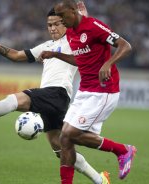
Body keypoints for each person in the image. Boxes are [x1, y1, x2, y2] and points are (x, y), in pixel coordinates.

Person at [0, 8, 111, 184]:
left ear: (66, 23)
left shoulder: (73, 40)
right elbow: (15, 55)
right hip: (55, 100)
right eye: (49, 25)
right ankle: (100, 179)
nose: (52, 28)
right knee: (61, 148)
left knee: (15, 100)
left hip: (57, 93)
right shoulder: (46, 46)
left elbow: (86, 31)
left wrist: (83, 16)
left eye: (56, 24)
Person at [40, 1, 137, 183]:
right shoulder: (71, 32)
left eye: (63, 17)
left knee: (69, 134)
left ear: (72, 11)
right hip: (84, 90)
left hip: (104, 91)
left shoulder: (93, 26)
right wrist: (55, 55)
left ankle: (122, 150)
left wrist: (108, 63)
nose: (61, 22)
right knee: (65, 139)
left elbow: (126, 46)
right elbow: (81, 60)